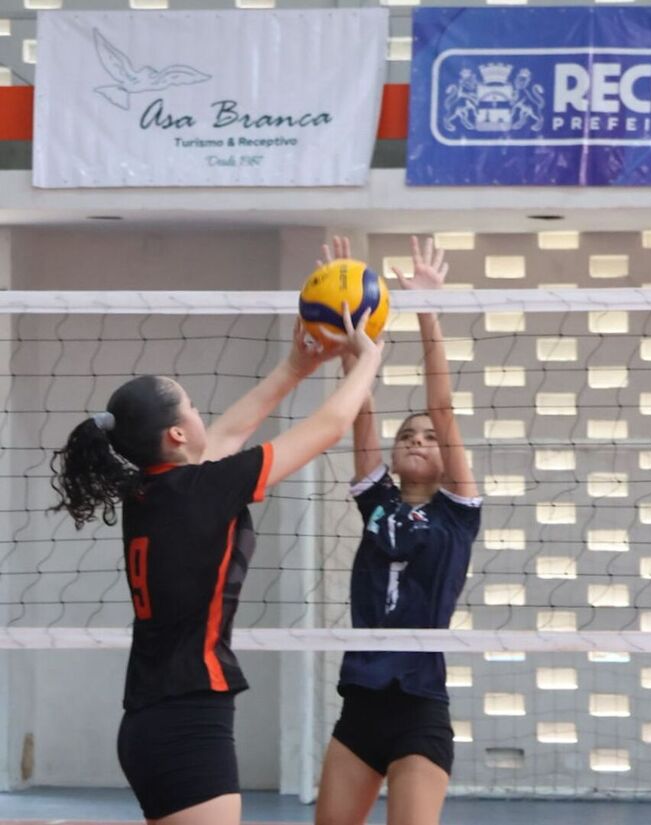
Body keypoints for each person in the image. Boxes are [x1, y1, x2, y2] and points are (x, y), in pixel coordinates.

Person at [50, 253, 384, 825]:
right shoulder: (200, 489)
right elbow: (327, 427)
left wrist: (295, 366)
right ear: (178, 434)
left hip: (155, 719)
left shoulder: (153, 489)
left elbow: (227, 433)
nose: (209, 415)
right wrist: (367, 361)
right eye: (194, 407)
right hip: (186, 721)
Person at [314, 236, 481, 825]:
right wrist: (348, 326)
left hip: (418, 706)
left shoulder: (458, 511)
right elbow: (359, 407)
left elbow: (442, 406)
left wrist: (426, 310)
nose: (417, 438)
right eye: (407, 434)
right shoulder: (377, 499)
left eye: (428, 437)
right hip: (359, 703)